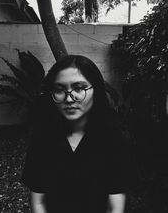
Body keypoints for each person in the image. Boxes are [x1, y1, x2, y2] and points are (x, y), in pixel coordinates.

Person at [21, 54, 139, 213]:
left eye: (79, 88)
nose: (69, 98)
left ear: (95, 90)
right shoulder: (42, 139)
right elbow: (38, 201)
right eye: (60, 90)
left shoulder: (114, 140)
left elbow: (116, 206)